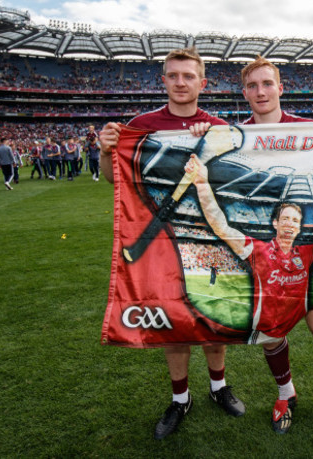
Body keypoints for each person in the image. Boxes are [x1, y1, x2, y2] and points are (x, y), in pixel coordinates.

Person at [98, 47, 245, 441]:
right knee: (175, 323)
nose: (181, 82)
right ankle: (181, 398)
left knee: (212, 317)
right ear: (163, 80)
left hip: (207, 236)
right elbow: (113, 179)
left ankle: (218, 386)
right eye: (173, 75)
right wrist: (105, 149)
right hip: (160, 241)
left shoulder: (218, 127)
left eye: (188, 76)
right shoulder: (141, 125)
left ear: (203, 83)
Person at [184, 152, 313, 433]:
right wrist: (203, 184)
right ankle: (286, 394)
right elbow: (220, 225)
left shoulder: (309, 252)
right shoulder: (256, 248)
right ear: (275, 223)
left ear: (300, 227)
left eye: (295, 220)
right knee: (272, 337)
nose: (290, 223)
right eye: (285, 218)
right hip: (272, 314)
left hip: (304, 301)